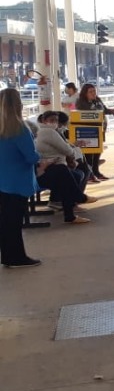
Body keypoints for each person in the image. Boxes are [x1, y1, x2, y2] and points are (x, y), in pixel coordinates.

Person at [0, 88, 42, 268]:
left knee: (5, 221)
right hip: (18, 183)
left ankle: (7, 256)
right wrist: (39, 155)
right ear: (18, 105)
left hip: (2, 182)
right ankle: (17, 257)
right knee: (14, 222)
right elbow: (31, 157)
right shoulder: (19, 129)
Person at [34, 111, 96, 223]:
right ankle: (78, 200)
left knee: (67, 176)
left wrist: (71, 148)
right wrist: (72, 153)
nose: (54, 123)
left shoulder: (41, 131)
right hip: (45, 170)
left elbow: (65, 147)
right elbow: (67, 150)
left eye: (56, 120)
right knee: (67, 173)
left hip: (47, 168)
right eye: (51, 120)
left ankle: (70, 213)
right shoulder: (49, 132)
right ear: (43, 120)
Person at [75, 83, 114, 181]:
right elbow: (87, 113)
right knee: (89, 153)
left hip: (100, 129)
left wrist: (110, 111)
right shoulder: (81, 103)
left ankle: (96, 172)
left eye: (94, 91)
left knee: (97, 151)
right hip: (88, 131)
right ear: (85, 93)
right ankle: (89, 174)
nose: (93, 93)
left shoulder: (98, 100)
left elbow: (103, 110)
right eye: (90, 92)